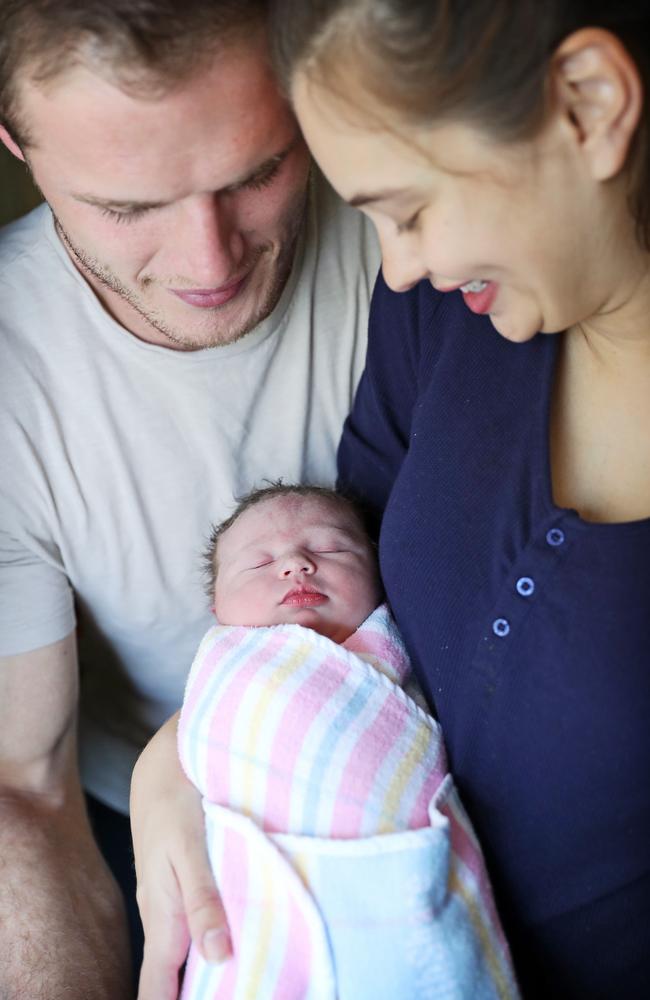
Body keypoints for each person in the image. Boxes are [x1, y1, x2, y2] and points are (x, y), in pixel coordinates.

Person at [129, 2, 650, 998]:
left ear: (586, 105)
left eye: (407, 210)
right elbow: (339, 581)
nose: (398, 263)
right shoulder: (441, 314)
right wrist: (177, 753)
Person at [0, 1, 380, 996]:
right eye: (128, 208)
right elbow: (24, 788)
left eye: (258, 173)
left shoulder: (411, 223)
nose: (209, 263)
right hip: (139, 822)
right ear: (19, 149)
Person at [177, 483, 518, 999]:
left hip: (400, 900)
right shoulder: (225, 668)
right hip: (257, 911)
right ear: (215, 604)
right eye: (259, 563)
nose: (295, 564)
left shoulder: (407, 653)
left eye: (331, 548)